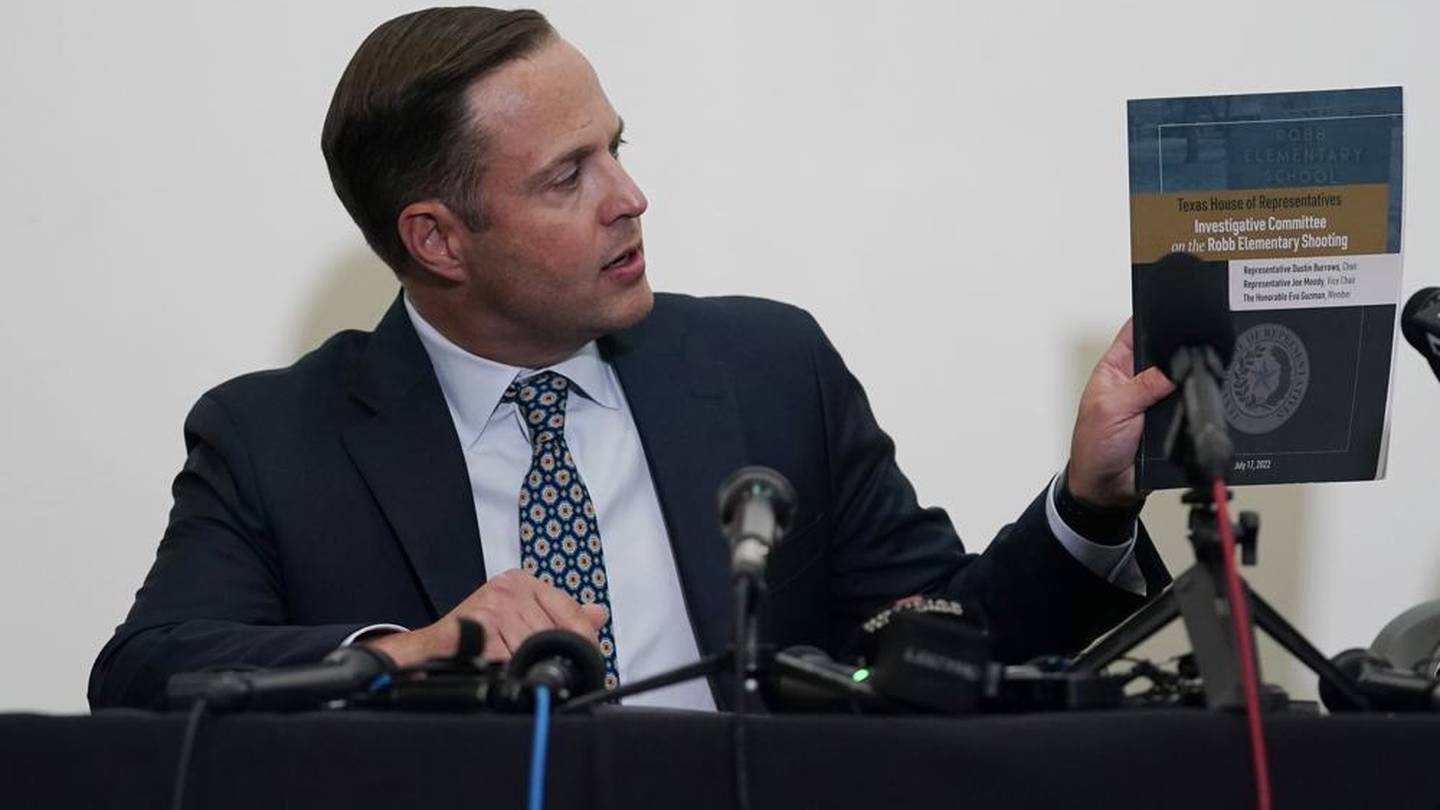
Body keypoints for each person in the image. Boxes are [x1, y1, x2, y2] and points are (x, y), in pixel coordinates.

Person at [89, 7, 1175, 711]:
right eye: (568, 177)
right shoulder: (278, 437)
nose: (629, 197)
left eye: (618, 146)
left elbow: (945, 645)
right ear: (437, 239)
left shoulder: (767, 368)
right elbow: (146, 672)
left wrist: (1088, 499)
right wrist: (408, 651)